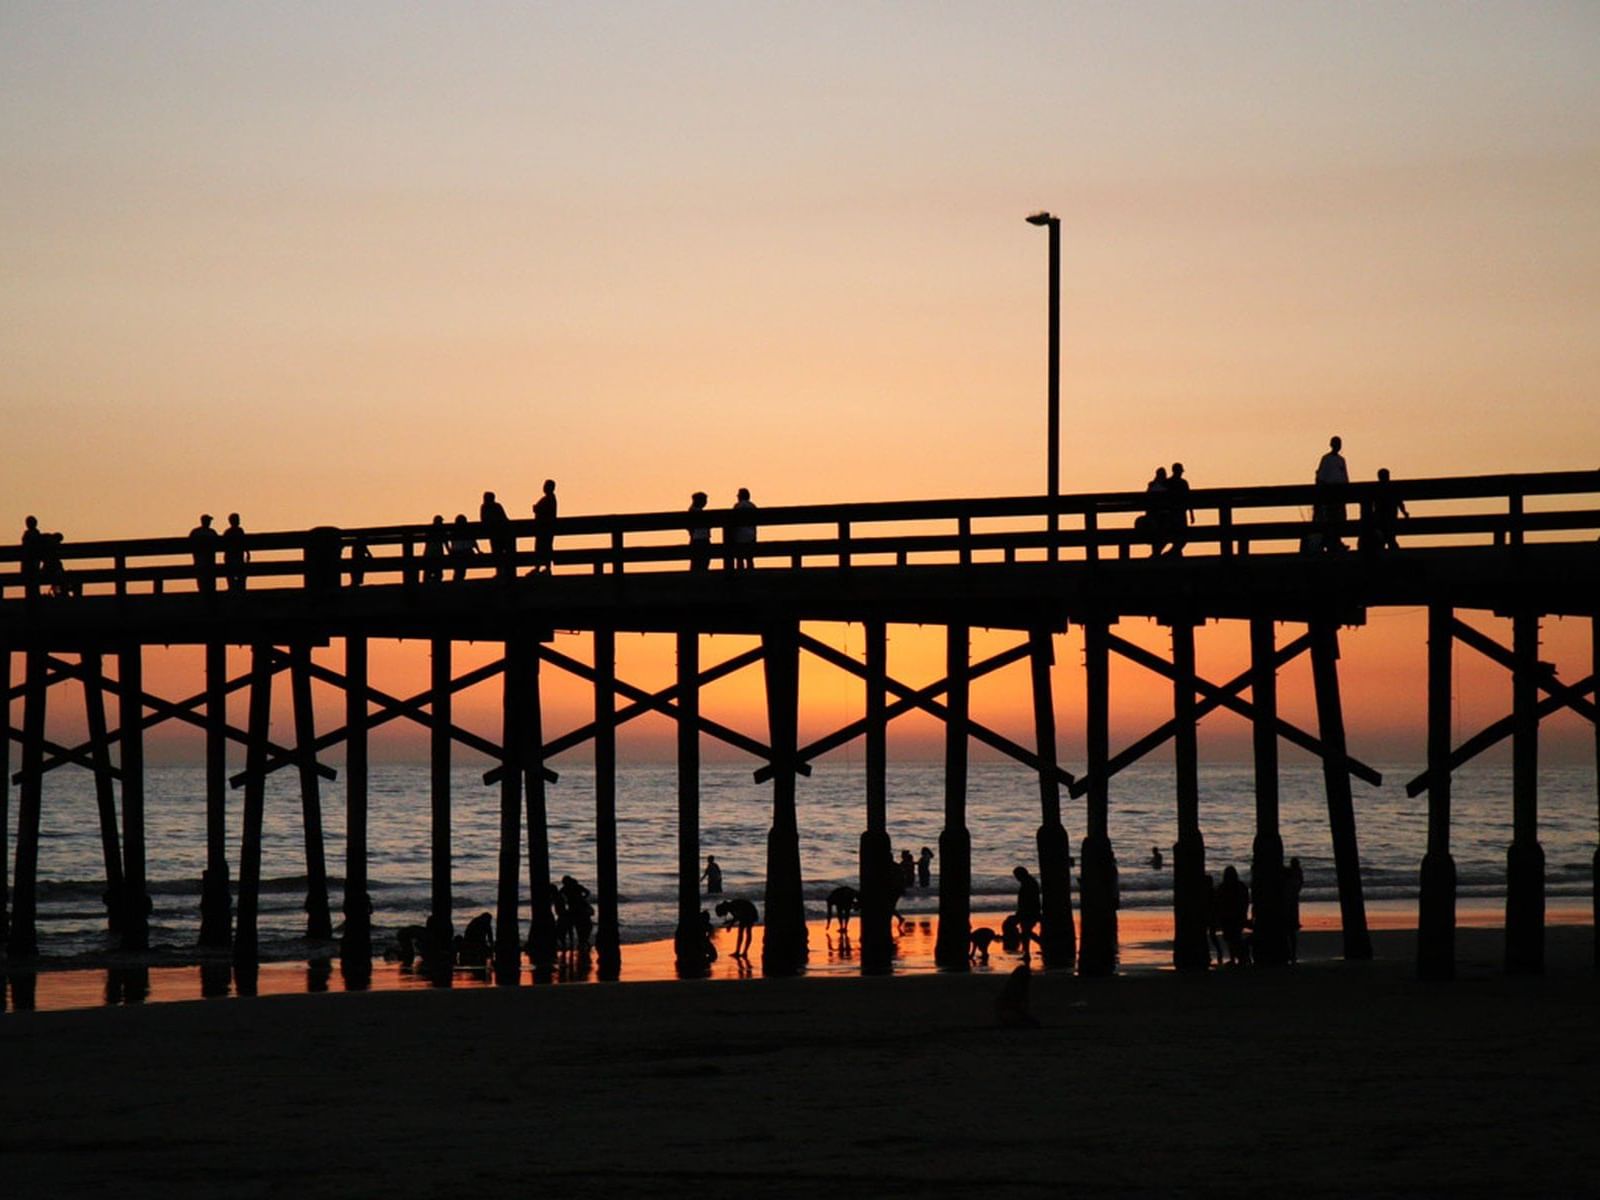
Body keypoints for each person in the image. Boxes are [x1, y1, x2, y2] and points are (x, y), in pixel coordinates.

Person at [1314, 436, 1350, 552]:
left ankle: (1337, 541)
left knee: (1340, 518)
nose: (1338, 446)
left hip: (1340, 492)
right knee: (1329, 518)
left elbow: (1345, 477)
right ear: (1331, 444)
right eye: (1336, 443)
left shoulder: (1341, 460)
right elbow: (1320, 478)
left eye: (1339, 443)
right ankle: (1330, 542)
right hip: (1329, 492)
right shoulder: (1326, 459)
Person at [1363, 467, 1409, 552]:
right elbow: (1399, 502)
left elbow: (1370, 504)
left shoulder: (1376, 488)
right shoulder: (1392, 487)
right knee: (1390, 537)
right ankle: (1393, 552)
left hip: (1381, 516)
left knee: (1383, 538)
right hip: (1390, 516)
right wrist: (1404, 512)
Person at [1216, 865, 1251, 965]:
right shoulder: (1241, 886)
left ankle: (1236, 958)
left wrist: (1218, 916)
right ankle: (1240, 957)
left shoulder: (1223, 887)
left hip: (1227, 916)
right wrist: (1244, 913)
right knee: (1235, 937)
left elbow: (1218, 902)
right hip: (1237, 915)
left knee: (1230, 938)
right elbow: (1246, 901)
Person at [1137, 467, 1169, 557]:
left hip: (1160, 513)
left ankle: (1155, 554)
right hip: (1157, 513)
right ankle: (1156, 553)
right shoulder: (1155, 485)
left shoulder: (1154, 485)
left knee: (1159, 534)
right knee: (1157, 533)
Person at [480, 490, 512, 580]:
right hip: (497, 533)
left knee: (498, 553)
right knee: (498, 553)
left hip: (498, 533)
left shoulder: (489, 507)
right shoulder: (493, 506)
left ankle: (502, 572)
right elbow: (504, 518)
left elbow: (484, 520)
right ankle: (501, 572)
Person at [1013, 866, 1042, 964]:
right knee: (1026, 932)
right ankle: (1028, 952)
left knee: (1026, 932)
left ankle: (1029, 952)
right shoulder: (1030, 882)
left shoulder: (1028, 884)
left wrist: (1021, 912)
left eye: (1017, 876)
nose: (1016, 878)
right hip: (1030, 911)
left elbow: (1028, 900)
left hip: (1029, 911)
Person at [1164, 463, 1194, 556]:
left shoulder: (1169, 482)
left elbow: (1188, 499)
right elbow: (1188, 499)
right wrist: (1191, 513)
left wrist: (1191, 514)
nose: (1181, 473)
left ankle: (1172, 553)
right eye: (1180, 471)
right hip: (1175, 514)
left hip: (1177, 513)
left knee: (1181, 537)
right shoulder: (1177, 483)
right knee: (1179, 536)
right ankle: (1173, 554)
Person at [726, 487, 757, 570]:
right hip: (750, 535)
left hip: (739, 535)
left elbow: (732, 521)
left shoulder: (737, 506)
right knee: (749, 557)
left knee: (739, 557)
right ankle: (750, 572)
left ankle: (740, 573)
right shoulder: (752, 506)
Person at [189, 514, 220, 594]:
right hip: (209, 561)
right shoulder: (212, 532)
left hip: (199, 560)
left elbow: (189, 544)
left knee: (201, 579)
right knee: (210, 580)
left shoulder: (195, 532)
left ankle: (202, 593)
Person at [531, 480, 557, 574]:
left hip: (544, 528)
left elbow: (542, 510)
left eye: (546, 486)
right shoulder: (549, 498)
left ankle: (543, 567)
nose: (544, 487)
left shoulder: (549, 499)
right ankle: (542, 567)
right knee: (544, 547)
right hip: (545, 528)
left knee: (543, 547)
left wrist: (536, 508)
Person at [1284, 856, 1304, 964]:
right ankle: (1292, 954)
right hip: (1293, 903)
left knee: (1287, 930)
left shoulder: (1290, 873)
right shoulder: (1298, 875)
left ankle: (1290, 953)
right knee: (1291, 931)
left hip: (1288, 904)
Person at [222, 513, 249, 591]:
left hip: (232, 557)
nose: (239, 521)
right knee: (238, 575)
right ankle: (238, 589)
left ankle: (234, 589)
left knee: (233, 575)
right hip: (235, 557)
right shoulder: (239, 531)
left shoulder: (228, 532)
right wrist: (247, 552)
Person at [686, 491, 712, 572]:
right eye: (704, 500)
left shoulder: (693, 511)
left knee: (698, 560)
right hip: (700, 538)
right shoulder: (695, 512)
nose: (705, 502)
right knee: (701, 560)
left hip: (697, 538)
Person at [448, 514, 476, 581]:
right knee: (461, 569)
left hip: (457, 553)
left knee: (459, 569)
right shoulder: (468, 530)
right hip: (465, 552)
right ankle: (458, 580)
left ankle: (457, 580)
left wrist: (449, 550)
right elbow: (473, 541)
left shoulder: (453, 530)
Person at [422, 515, 447, 584]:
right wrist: (449, 550)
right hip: (436, 553)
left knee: (428, 572)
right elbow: (445, 542)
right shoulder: (441, 530)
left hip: (429, 553)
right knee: (437, 572)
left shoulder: (430, 529)